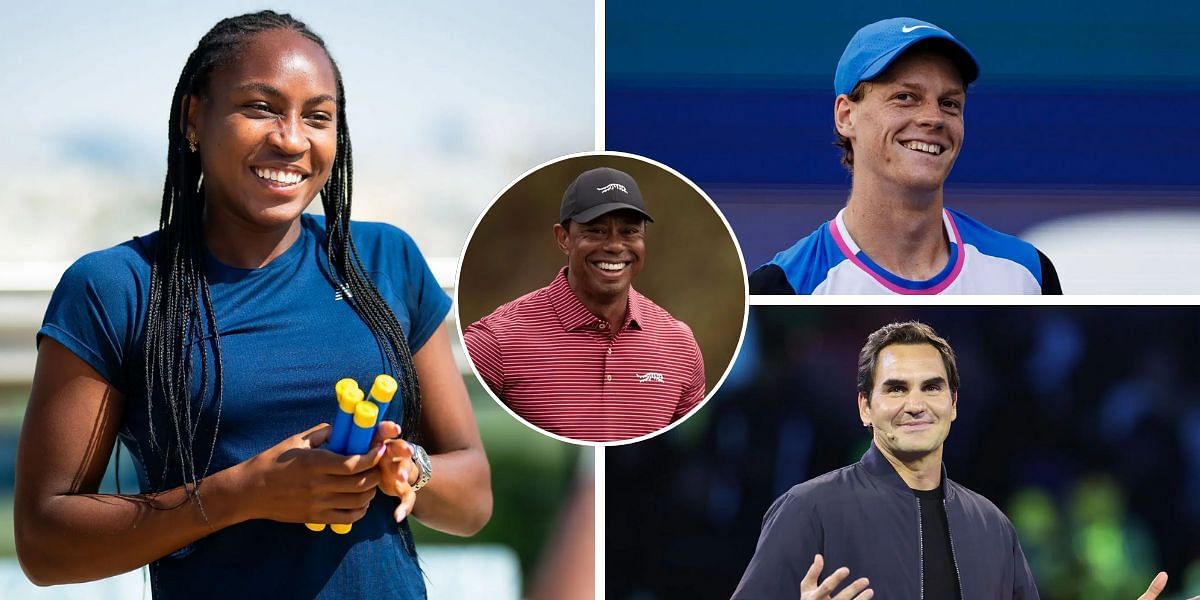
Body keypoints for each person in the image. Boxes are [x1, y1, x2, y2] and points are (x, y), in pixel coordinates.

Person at [14, 11, 491, 598]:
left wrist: (408, 465)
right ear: (195, 118)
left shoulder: (385, 261)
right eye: (261, 108)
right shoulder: (116, 287)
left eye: (317, 117)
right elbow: (44, 544)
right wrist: (243, 493)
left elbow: (473, 499)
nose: (292, 139)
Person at [732, 322, 1184, 599]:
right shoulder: (808, 509)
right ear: (865, 408)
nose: (915, 405)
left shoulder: (991, 524)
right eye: (895, 388)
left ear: (953, 405)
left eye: (931, 387)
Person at [749, 18, 1062, 295]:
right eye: (905, 97)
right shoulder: (784, 287)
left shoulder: (1026, 273)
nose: (933, 118)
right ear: (846, 116)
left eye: (950, 103)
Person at [463, 167, 705, 443]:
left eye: (629, 232)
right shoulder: (495, 341)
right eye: (596, 231)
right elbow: (460, 449)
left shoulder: (679, 344)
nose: (615, 246)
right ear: (563, 238)